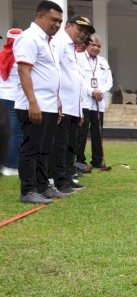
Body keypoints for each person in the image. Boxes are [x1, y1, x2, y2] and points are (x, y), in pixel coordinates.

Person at [13, 0, 64, 204]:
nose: (57, 25)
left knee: (45, 149)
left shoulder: (47, 41)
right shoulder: (29, 38)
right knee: (31, 148)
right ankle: (28, 190)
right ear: (40, 16)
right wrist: (33, 103)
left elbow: (49, 74)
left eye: (60, 21)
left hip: (49, 104)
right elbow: (24, 71)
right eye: (54, 20)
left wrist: (57, 100)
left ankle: (43, 187)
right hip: (34, 105)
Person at [50, 15, 95, 193]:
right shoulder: (59, 43)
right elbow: (54, 73)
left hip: (74, 108)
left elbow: (77, 82)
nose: (83, 34)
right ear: (68, 26)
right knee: (59, 146)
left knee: (70, 146)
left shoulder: (73, 49)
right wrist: (57, 100)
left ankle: (68, 177)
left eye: (86, 32)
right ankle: (60, 181)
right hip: (63, 106)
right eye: (80, 29)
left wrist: (81, 110)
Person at [77, 34, 112, 170]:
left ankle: (97, 160)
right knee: (81, 133)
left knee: (98, 132)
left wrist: (100, 90)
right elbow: (78, 78)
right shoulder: (79, 58)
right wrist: (91, 91)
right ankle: (79, 160)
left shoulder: (103, 61)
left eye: (98, 46)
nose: (96, 48)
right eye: (93, 45)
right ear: (87, 44)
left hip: (98, 103)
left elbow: (109, 80)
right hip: (84, 102)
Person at [0, 28, 23, 176]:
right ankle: (11, 165)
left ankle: (4, 163)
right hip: (14, 98)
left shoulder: (1, 55)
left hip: (2, 97)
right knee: (15, 132)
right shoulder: (20, 56)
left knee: (4, 131)